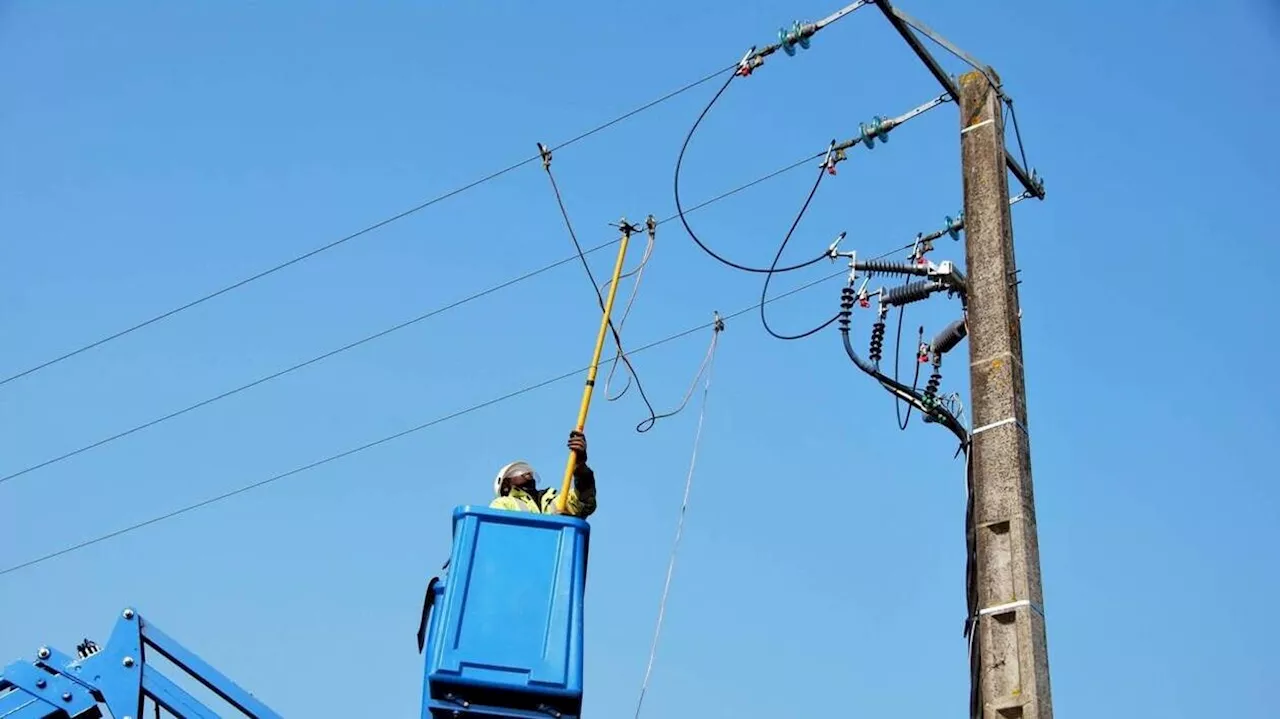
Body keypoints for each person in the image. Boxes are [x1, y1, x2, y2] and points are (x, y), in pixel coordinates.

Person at [490, 430, 597, 518]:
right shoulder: (502, 504)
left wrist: (579, 465)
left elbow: (584, 502)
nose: (527, 472)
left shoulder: (555, 500)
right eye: (518, 470)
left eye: (527, 469)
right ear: (505, 485)